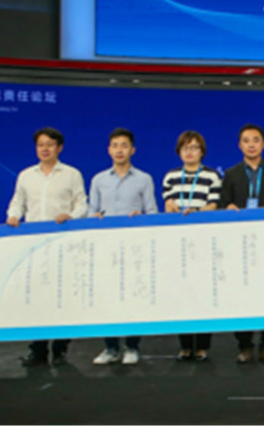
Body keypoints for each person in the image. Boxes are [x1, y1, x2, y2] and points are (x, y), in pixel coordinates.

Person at [6, 127, 88, 367]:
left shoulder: (71, 174)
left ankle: (61, 349)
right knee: (37, 299)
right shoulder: (26, 175)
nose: (45, 149)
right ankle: (38, 350)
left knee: (63, 297)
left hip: (62, 244)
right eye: (41, 144)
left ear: (59, 148)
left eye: (50, 144)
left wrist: (71, 216)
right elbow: (18, 202)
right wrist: (13, 216)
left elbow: (82, 204)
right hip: (33, 246)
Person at [219, 124, 264, 364]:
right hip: (239, 244)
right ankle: (245, 346)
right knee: (242, 295)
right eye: (246, 140)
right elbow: (222, 204)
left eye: (256, 140)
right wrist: (227, 207)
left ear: (263, 144)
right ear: (239, 145)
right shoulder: (231, 174)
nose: (251, 145)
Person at [89, 128, 158, 366]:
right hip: (106, 246)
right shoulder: (98, 180)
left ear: (132, 150)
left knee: (132, 297)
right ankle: (110, 347)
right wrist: (95, 217)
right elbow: (90, 211)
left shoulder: (144, 179)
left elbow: (152, 212)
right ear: (109, 150)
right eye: (115, 145)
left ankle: (132, 346)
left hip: (133, 247)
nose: (120, 150)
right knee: (107, 297)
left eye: (124, 145)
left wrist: (142, 217)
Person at [162, 130, 223, 362]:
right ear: (179, 151)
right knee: (182, 293)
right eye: (185, 148)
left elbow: (213, 205)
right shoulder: (171, 176)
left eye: (194, 147)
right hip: (178, 241)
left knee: (204, 292)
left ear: (202, 151)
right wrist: (174, 209)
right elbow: (168, 204)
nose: (190, 152)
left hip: (203, 240)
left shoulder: (212, 176)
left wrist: (195, 212)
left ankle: (203, 346)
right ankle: (185, 345)